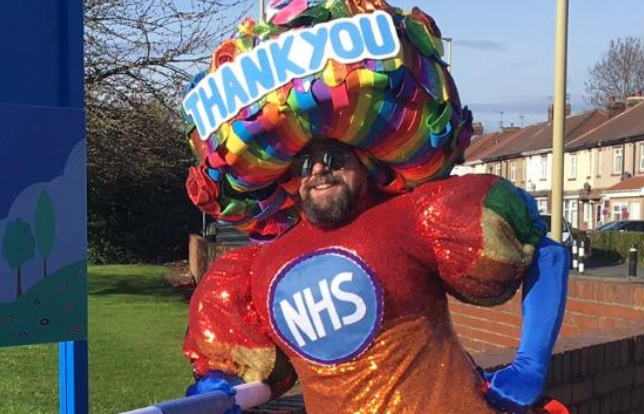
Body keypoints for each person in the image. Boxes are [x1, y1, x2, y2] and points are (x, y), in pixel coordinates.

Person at [182, 1, 569, 413]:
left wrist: (530, 365)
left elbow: (546, 254)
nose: (319, 171)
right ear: (289, 178)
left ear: (365, 164)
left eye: (334, 158)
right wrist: (216, 384)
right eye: (304, 164)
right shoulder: (254, 272)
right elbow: (253, 375)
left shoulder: (419, 216)